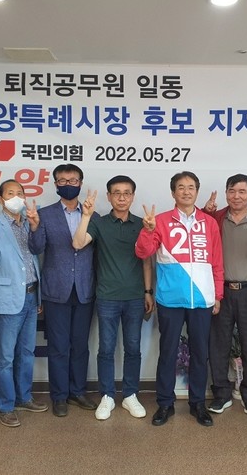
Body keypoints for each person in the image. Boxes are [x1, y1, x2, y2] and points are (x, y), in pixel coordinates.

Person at [135, 171, 224, 427]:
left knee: (200, 353)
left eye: (191, 187)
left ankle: (198, 403)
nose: (186, 191)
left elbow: (217, 261)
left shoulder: (209, 223)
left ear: (197, 191)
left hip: (202, 299)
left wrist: (217, 294)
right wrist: (147, 231)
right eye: (181, 187)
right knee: (168, 352)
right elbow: (142, 251)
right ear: (173, 192)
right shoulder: (160, 221)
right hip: (170, 299)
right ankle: (165, 403)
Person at [72, 176, 153, 421]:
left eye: (127, 193)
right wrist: (86, 216)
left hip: (135, 297)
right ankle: (107, 395)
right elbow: (77, 243)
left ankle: (130, 395)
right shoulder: (99, 223)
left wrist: (148, 291)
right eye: (116, 193)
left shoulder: (141, 224)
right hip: (107, 296)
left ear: (133, 196)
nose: (121, 197)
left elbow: (147, 261)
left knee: (133, 348)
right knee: (106, 349)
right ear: (108, 197)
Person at [29, 163, 97, 417]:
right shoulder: (44, 214)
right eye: (63, 181)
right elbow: (36, 249)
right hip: (56, 289)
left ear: (81, 183)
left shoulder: (93, 216)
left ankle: (77, 392)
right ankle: (59, 396)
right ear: (55, 184)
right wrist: (34, 227)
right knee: (58, 346)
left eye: (73, 180)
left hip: (85, 289)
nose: (68, 185)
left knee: (80, 345)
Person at [0, 179, 48, 428]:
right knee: (5, 357)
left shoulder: (28, 223)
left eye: (20, 193)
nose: (16, 197)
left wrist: (38, 296)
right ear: (1, 199)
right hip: (7, 299)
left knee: (27, 353)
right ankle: (5, 406)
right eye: (10, 193)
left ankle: (23, 397)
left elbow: (35, 257)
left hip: (31, 295)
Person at [202, 174, 247, 416]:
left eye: (242, 191)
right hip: (221, 292)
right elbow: (199, 235)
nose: (236, 196)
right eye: (232, 191)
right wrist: (206, 212)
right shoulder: (217, 218)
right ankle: (221, 394)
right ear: (226, 194)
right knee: (218, 345)